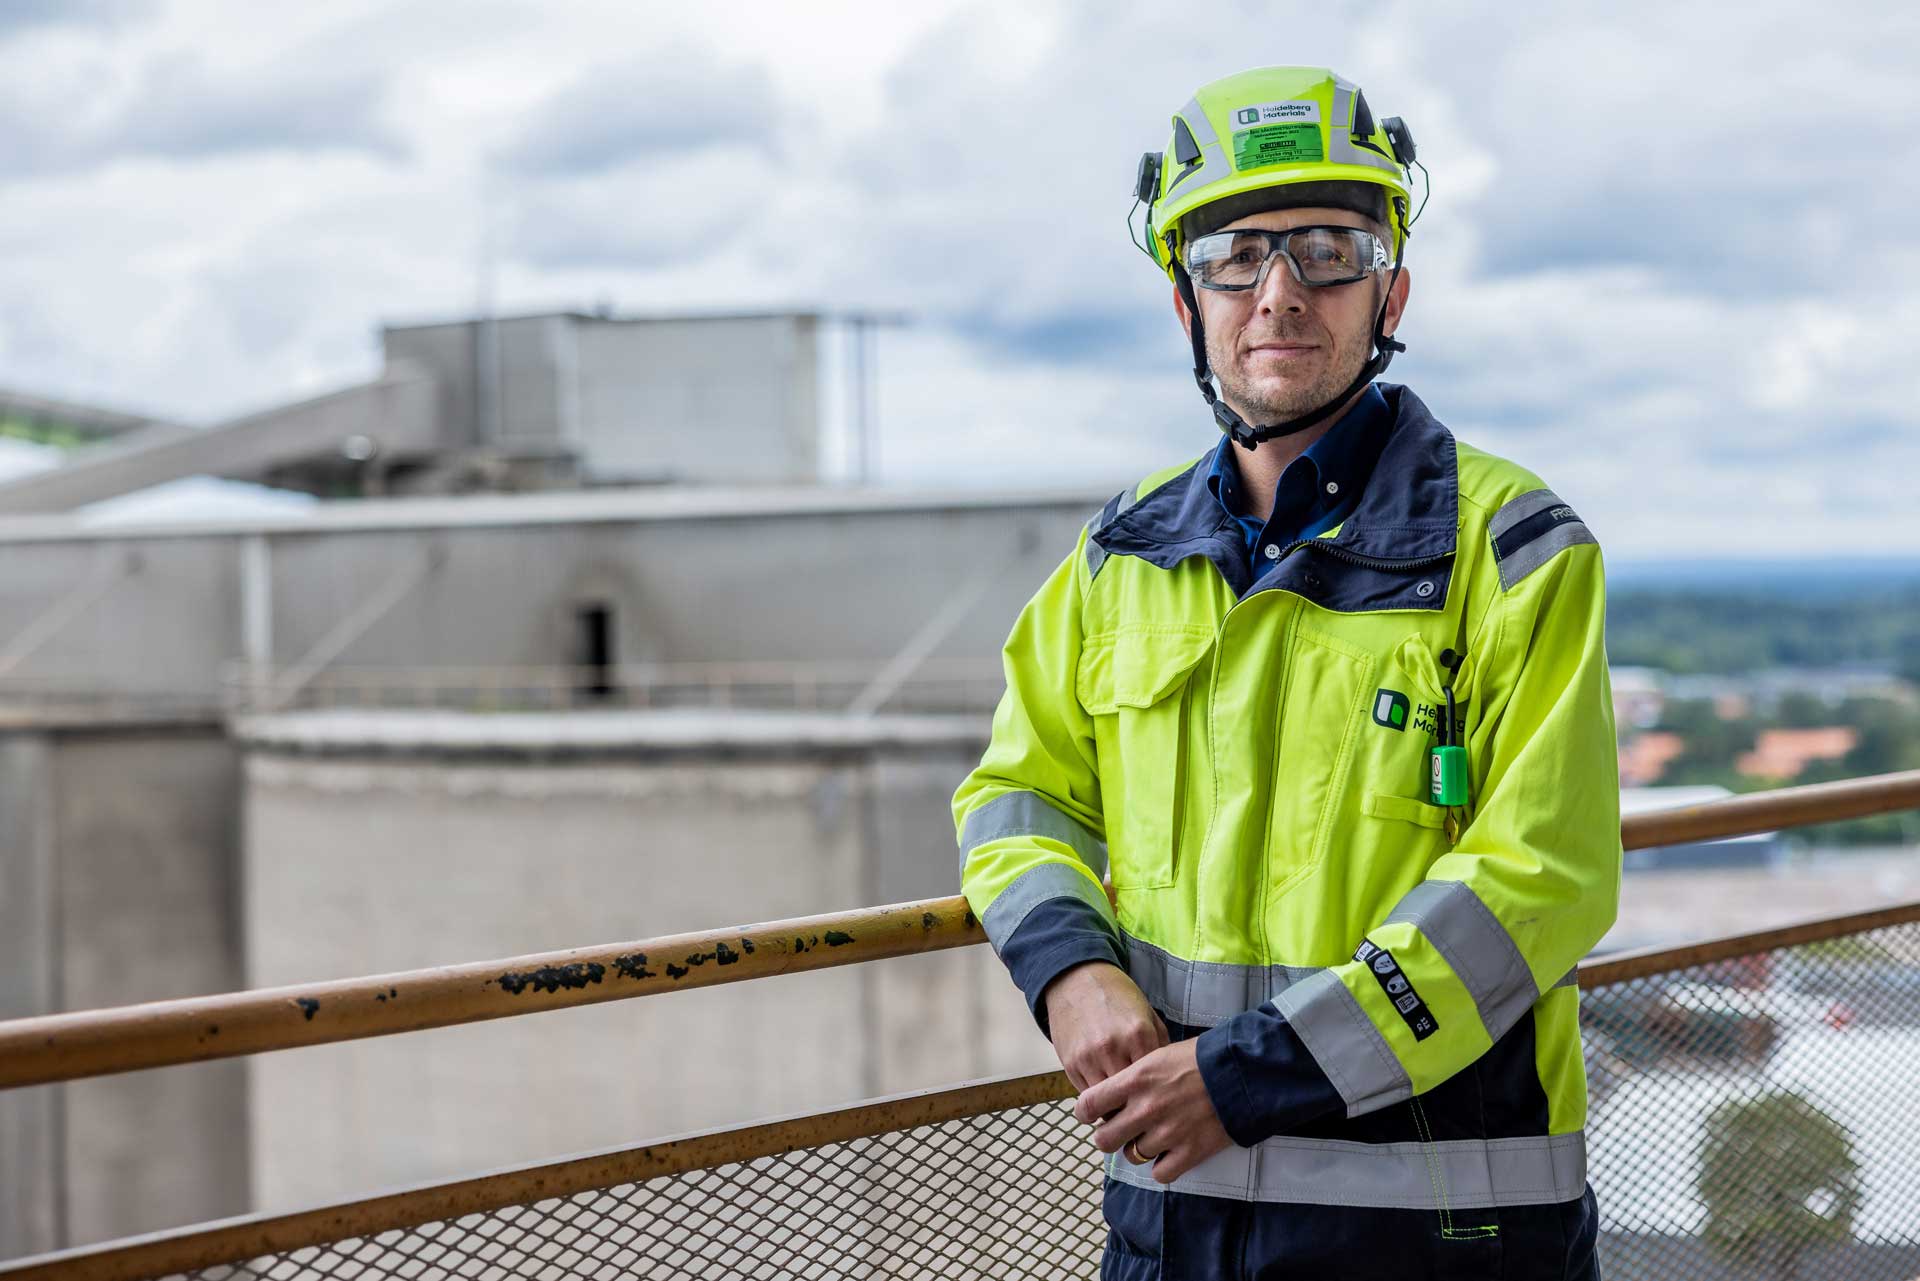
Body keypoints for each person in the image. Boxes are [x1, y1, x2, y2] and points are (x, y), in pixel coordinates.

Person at [953, 66, 1620, 1279]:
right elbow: (1015, 799)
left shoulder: (1511, 551)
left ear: (1389, 291)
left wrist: (1249, 1076)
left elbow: (1544, 878)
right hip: (1174, 1218)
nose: (1279, 294)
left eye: (1327, 249)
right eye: (1234, 255)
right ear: (1185, 304)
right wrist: (1072, 973)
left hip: (1444, 1234)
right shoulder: (1119, 561)